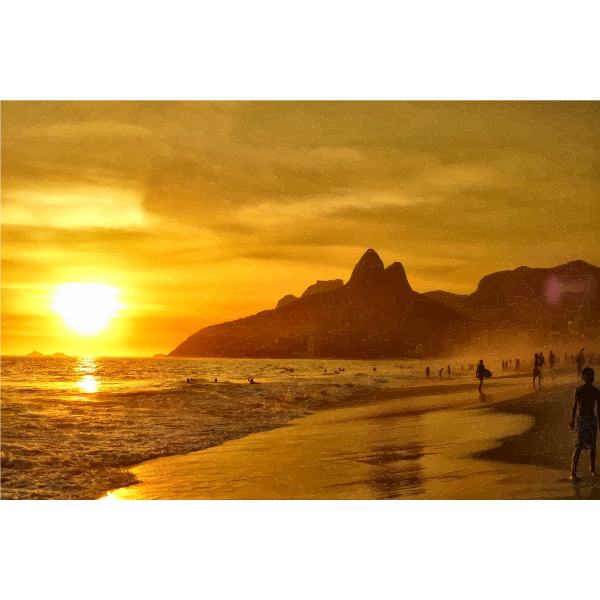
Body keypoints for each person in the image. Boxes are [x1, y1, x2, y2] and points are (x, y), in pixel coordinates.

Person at [568, 367, 600, 480]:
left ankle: (593, 470)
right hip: (581, 420)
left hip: (593, 420)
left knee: (593, 446)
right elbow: (575, 406)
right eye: (588, 376)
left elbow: (599, 408)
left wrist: (599, 423)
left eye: (592, 376)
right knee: (579, 446)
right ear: (584, 377)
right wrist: (572, 421)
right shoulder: (579, 390)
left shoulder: (596, 391)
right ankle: (573, 473)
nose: (591, 378)